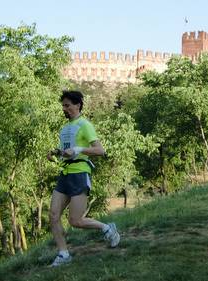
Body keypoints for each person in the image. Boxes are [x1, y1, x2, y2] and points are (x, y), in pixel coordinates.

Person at [46, 91, 120, 267]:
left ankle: (107, 228)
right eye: (63, 106)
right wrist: (55, 152)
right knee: (53, 215)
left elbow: (100, 151)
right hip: (65, 174)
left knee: (75, 221)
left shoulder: (85, 125)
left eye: (68, 105)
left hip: (80, 174)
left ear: (78, 104)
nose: (65, 109)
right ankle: (64, 255)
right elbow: (66, 150)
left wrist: (78, 150)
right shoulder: (64, 129)